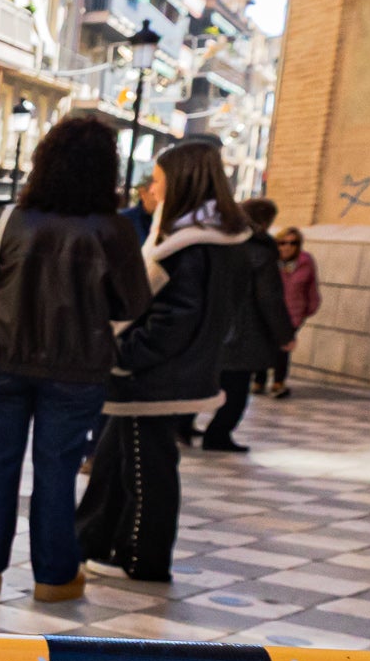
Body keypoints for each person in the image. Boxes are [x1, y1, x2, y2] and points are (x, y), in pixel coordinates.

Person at [0, 114, 150, 601]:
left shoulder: (10, 221)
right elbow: (134, 304)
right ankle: (54, 578)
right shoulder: (114, 231)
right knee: (57, 471)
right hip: (77, 371)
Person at [76, 136, 246, 584]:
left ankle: (142, 558)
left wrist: (122, 356)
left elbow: (174, 319)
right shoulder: (205, 238)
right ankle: (90, 541)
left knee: (146, 469)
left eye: (156, 181)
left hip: (152, 377)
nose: (147, 191)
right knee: (116, 457)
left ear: (183, 184)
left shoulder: (192, 243)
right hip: (161, 373)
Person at [195, 193, 296, 454]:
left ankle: (183, 425)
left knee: (203, 381)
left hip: (214, 326)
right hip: (243, 332)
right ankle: (217, 435)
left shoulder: (221, 243)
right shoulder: (261, 251)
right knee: (237, 389)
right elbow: (269, 298)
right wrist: (284, 334)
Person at [268, 213, 318, 398]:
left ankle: (278, 383)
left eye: (293, 242)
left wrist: (309, 309)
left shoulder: (306, 262)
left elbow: (312, 288)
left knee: (283, 347)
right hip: (270, 311)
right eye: (283, 242)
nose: (288, 246)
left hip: (293, 314)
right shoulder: (270, 261)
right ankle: (259, 380)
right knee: (267, 345)